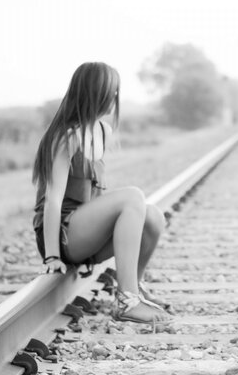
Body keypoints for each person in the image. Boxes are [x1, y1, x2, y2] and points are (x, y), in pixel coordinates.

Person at [32, 62, 172, 325]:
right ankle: (127, 300)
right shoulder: (67, 137)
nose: (115, 99)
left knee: (152, 216)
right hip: (62, 236)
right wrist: (51, 256)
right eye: (111, 93)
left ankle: (134, 289)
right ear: (94, 94)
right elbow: (52, 200)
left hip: (85, 235)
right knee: (133, 196)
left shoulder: (102, 131)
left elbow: (94, 193)